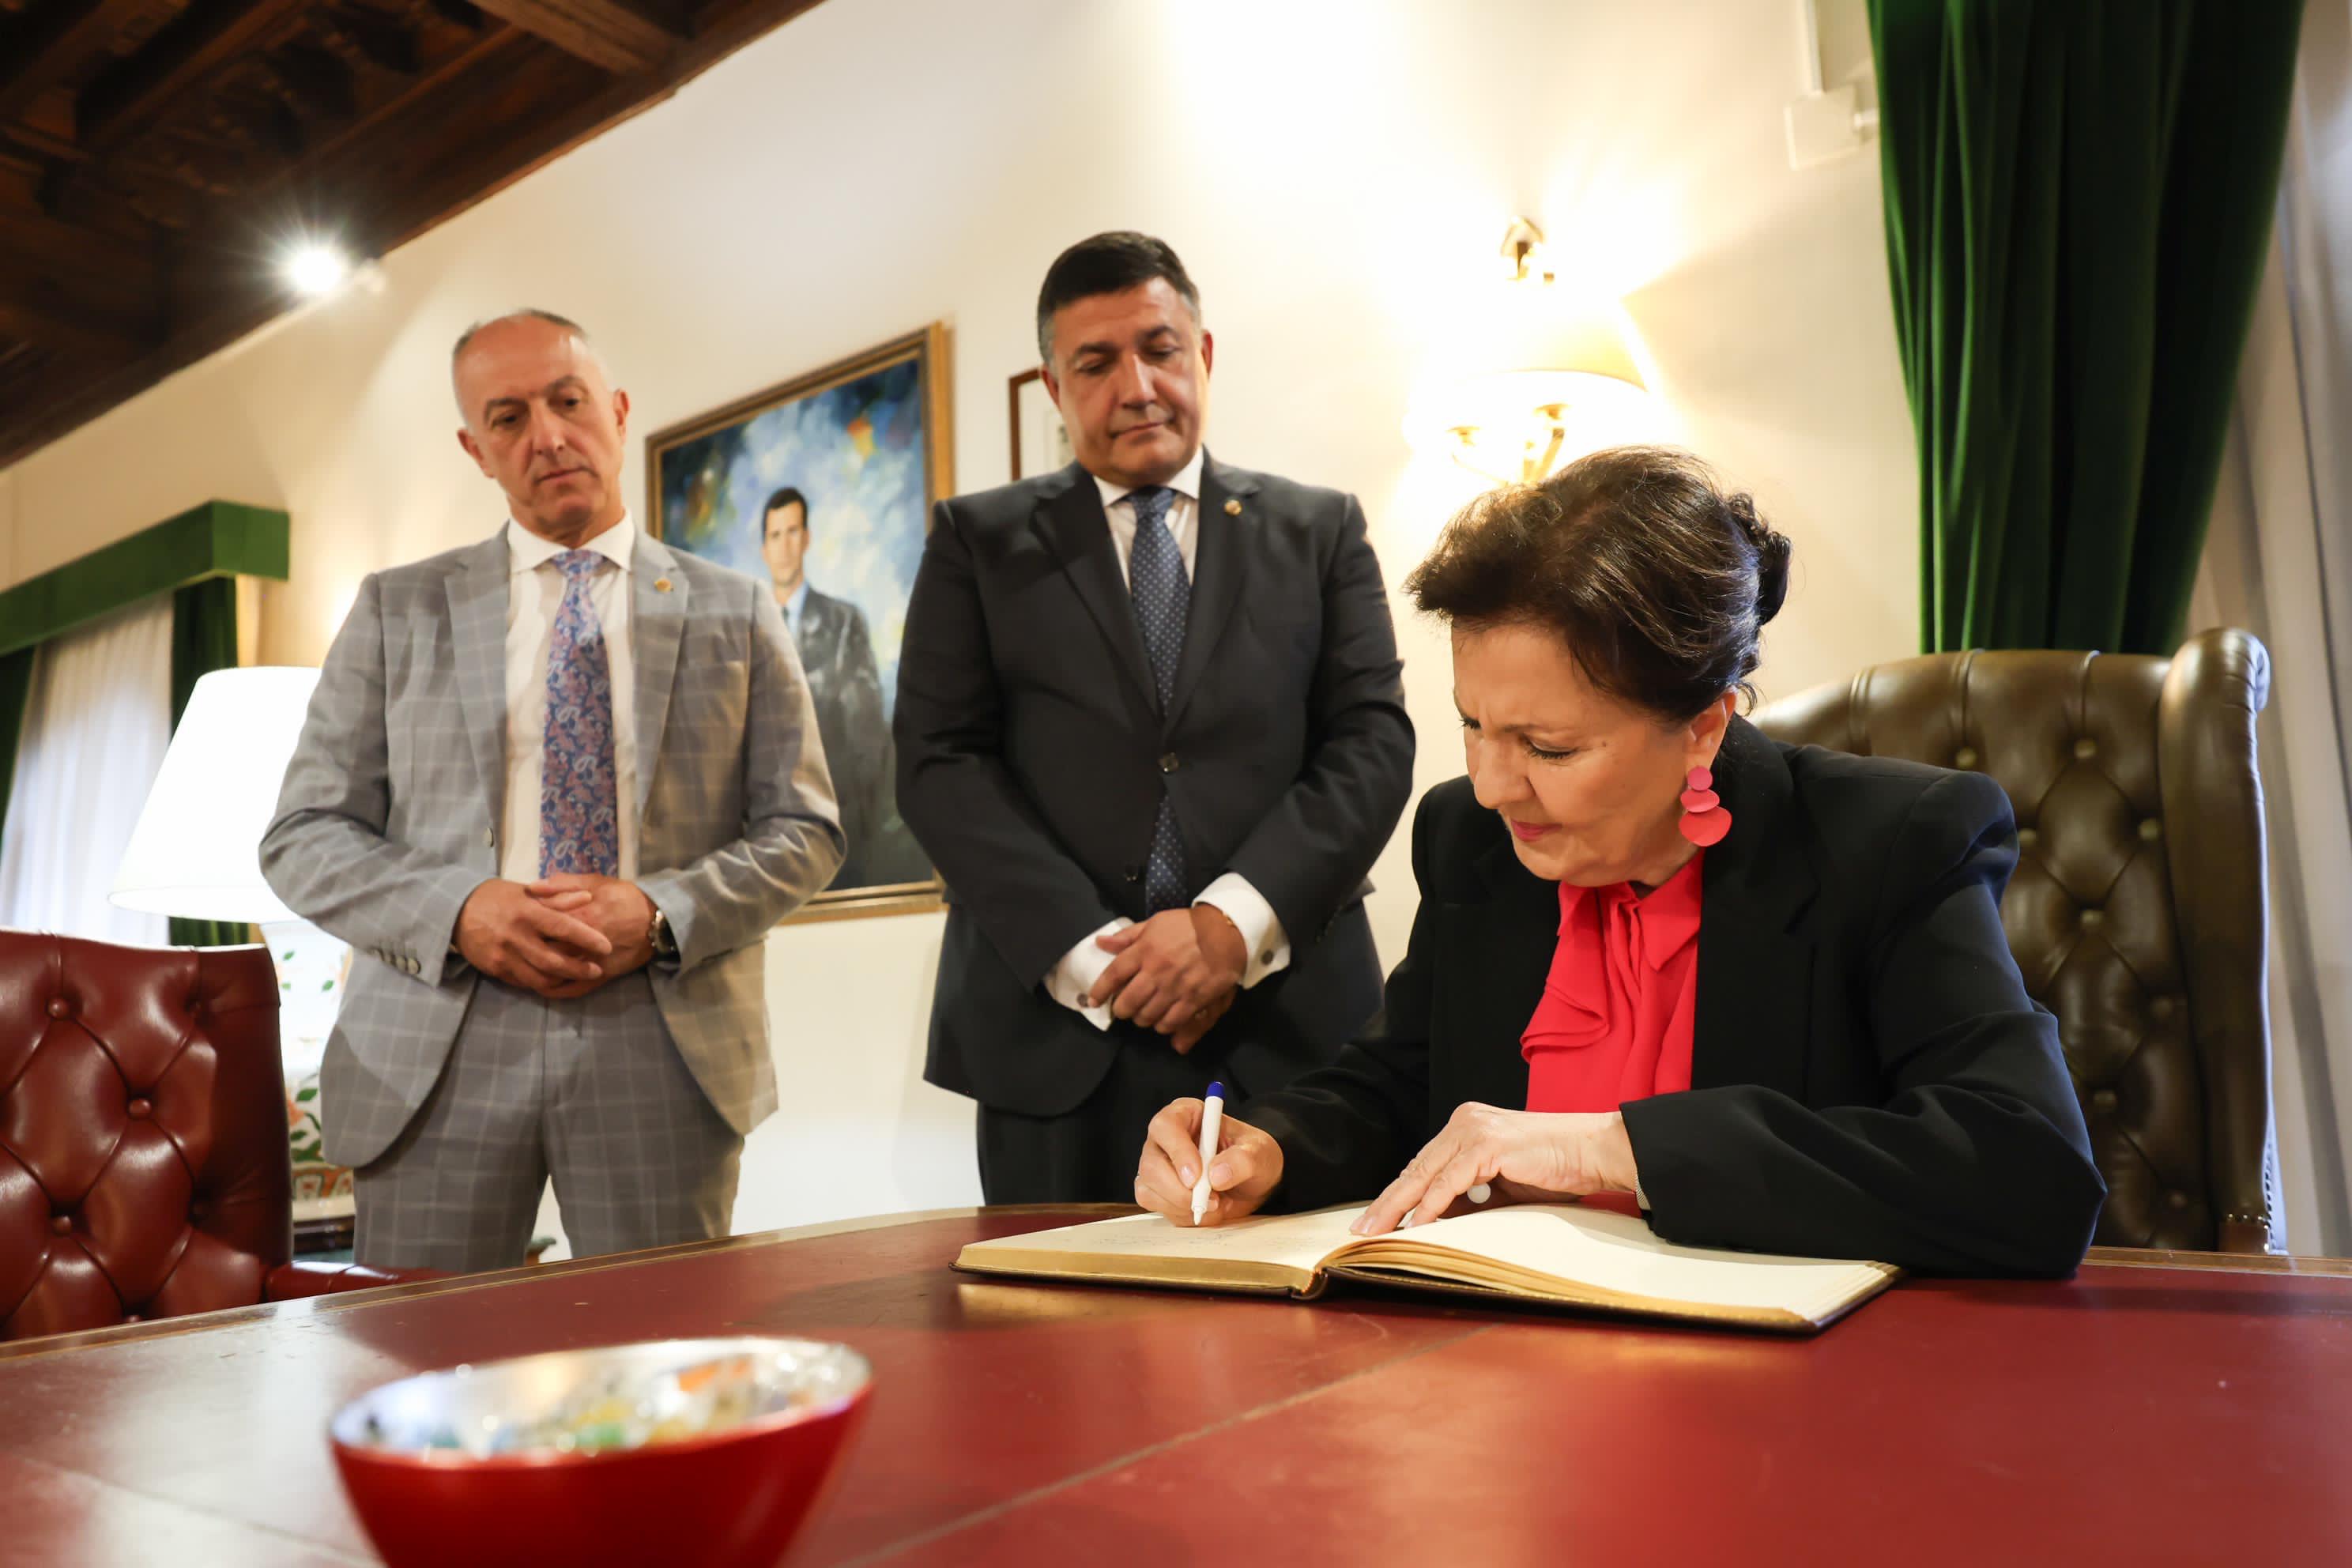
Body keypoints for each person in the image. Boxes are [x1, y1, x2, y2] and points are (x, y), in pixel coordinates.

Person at [1133, 447, 2105, 1276]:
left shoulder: (1891, 842)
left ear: (1703, 728)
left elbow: (2029, 1170)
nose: (1492, 785)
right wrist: (1268, 1148)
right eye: (1474, 725)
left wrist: (1610, 1145)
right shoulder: (1474, 843)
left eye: (1548, 748)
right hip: (1509, 1392)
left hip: (1790, 1417)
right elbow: (1396, 1089)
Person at [262, 309, 845, 1272]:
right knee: (429, 1381)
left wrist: (661, 910)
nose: (547, 435)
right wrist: (460, 910)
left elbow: (806, 829)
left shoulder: (734, 610)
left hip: (659, 1040)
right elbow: (302, 835)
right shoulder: (393, 608)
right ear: (475, 448)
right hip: (435, 1048)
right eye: (508, 417)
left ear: (615, 411)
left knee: (664, 1373)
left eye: (568, 402)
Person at [895, 232, 1415, 1204]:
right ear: (1054, 387)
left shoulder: (1321, 529)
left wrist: (1227, 925)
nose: (1136, 385)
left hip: (1292, 1026)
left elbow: (1372, 743)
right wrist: (1102, 961)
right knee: (1056, 1345)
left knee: (1321, 1343)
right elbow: (938, 762)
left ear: (1203, 355)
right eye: (1095, 362)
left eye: (1160, 348)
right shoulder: (977, 542)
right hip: (1058, 1037)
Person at [757, 487, 922, 888]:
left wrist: (859, 835)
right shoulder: (745, 632)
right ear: (764, 547)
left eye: (793, 531)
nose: (785, 546)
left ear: (807, 538)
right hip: (761, 847)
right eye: (775, 535)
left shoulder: (844, 623)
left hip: (837, 833)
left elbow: (867, 741)